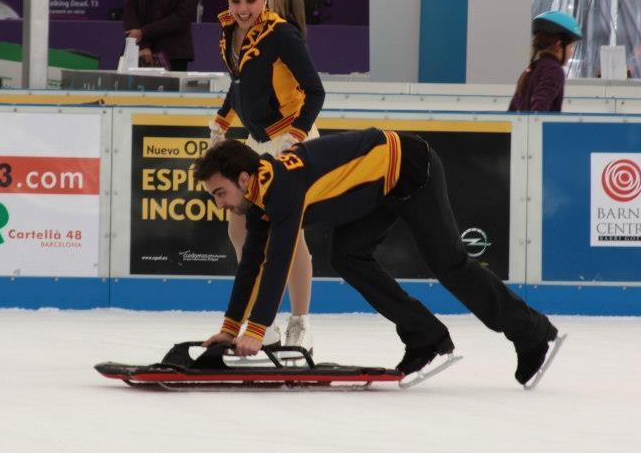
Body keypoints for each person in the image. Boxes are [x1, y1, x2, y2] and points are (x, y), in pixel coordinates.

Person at [192, 129, 560, 386]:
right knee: (347, 255)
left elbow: (278, 261)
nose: (220, 204)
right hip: (373, 190)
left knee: (449, 263)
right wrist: (230, 328)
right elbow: (251, 265)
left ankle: (532, 333)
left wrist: (255, 331)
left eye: (220, 193)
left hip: (410, 170)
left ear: (242, 178)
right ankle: (425, 336)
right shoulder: (257, 199)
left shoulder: (281, 190)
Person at [208, 0, 325, 352]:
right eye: (235, 0)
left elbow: (315, 91)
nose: (243, 8)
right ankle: (266, 321)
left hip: (291, 141)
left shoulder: (281, 35)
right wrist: (220, 124)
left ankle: (300, 323)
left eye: (251, 0)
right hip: (257, 145)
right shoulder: (229, 33)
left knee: (291, 236)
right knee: (240, 230)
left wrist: (296, 136)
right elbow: (238, 86)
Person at [508, 11, 584, 112]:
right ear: (559, 45)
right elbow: (540, 109)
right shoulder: (554, 70)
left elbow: (511, 111)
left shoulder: (532, 68)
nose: (572, 51)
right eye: (571, 46)